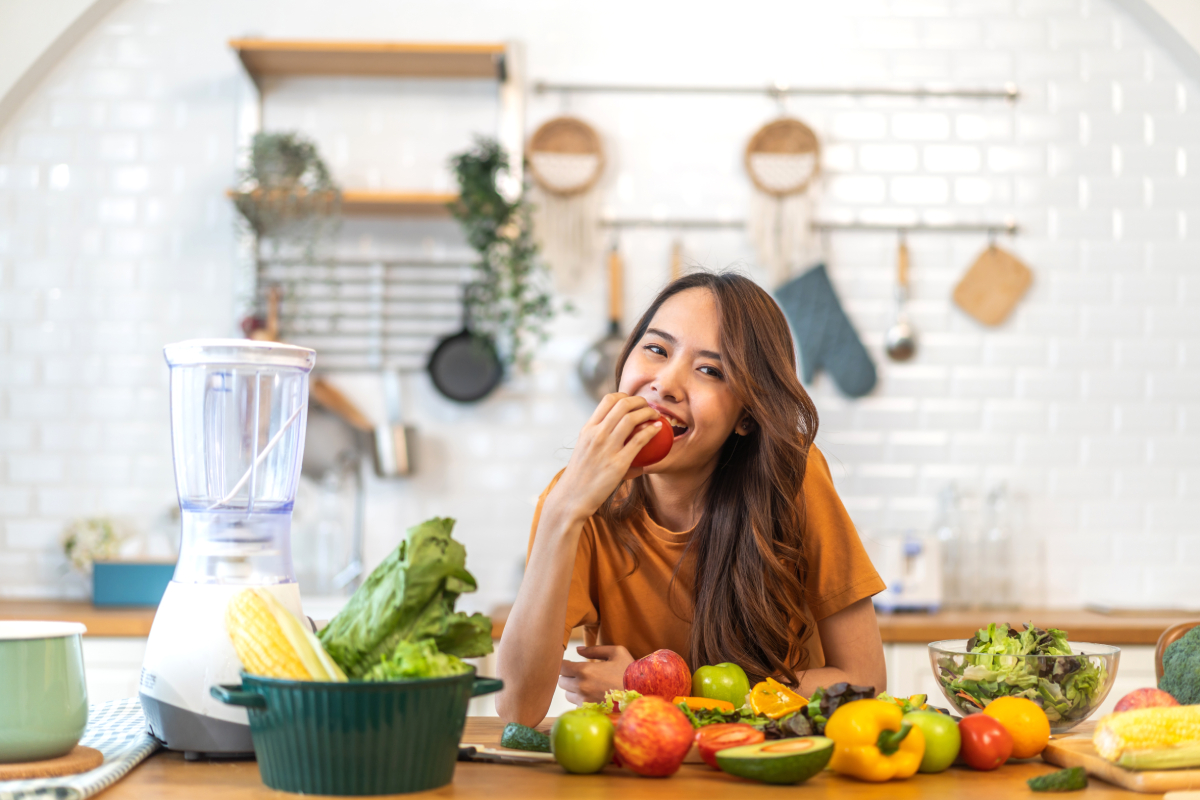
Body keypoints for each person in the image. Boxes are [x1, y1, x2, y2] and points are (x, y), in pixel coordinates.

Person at [496, 272, 887, 726]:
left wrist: (652, 691)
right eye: (657, 349)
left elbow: (865, 684)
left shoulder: (792, 477)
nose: (665, 383)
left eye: (710, 370)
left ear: (746, 416)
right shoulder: (575, 501)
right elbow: (517, 708)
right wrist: (562, 511)